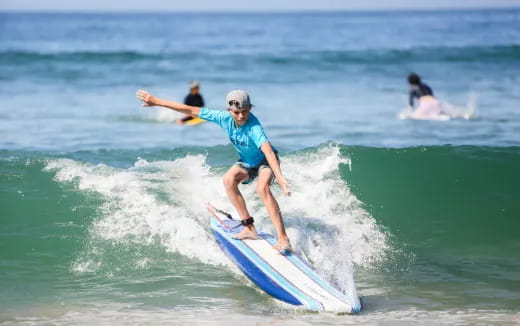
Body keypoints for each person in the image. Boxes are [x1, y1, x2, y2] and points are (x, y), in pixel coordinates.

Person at [136, 89, 293, 252]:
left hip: (266, 161)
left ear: (250, 109)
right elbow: (190, 110)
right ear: (229, 111)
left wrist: (280, 178)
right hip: (247, 162)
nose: (241, 116)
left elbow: (267, 151)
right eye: (237, 112)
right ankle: (249, 227)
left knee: (262, 189)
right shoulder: (223, 118)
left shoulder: (254, 126)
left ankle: (283, 239)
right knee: (228, 180)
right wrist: (156, 101)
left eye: (245, 111)